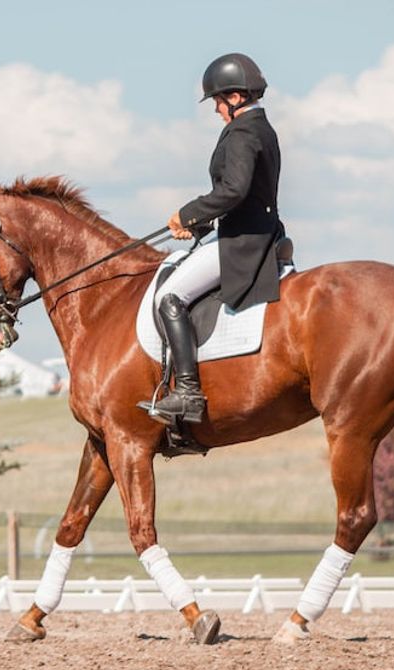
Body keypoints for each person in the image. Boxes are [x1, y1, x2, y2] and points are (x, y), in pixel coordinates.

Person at [146, 52, 286, 426]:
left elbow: (234, 190)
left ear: (235, 97)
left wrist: (188, 213)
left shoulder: (242, 132)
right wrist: (200, 225)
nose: (216, 110)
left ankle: (188, 392)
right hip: (254, 230)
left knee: (169, 296)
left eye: (218, 101)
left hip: (243, 242)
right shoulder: (261, 128)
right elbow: (247, 194)